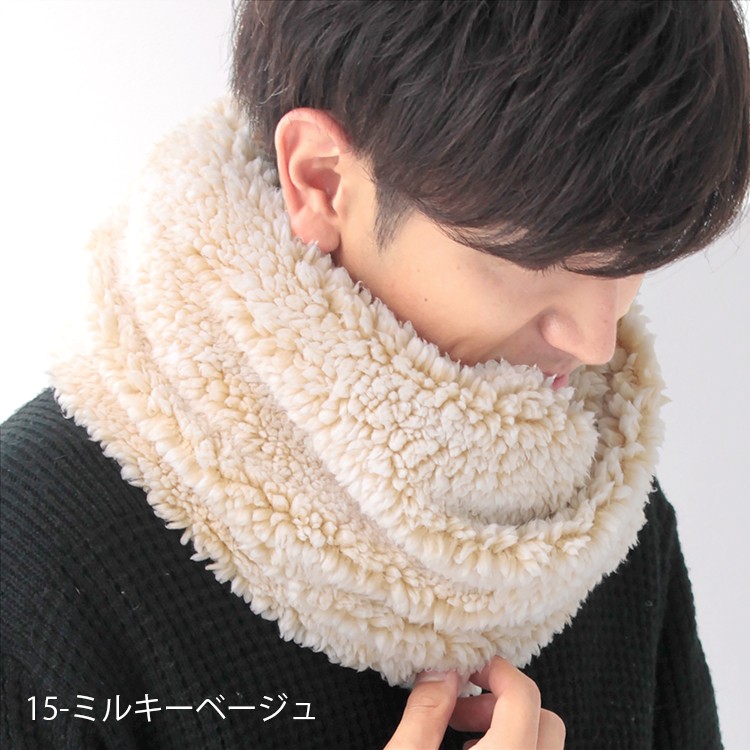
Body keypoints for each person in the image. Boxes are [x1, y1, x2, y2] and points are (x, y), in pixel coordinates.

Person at [1, 1, 748, 748]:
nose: (595, 340)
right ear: (321, 181)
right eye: (534, 257)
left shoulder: (601, 519)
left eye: (628, 260)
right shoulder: (29, 555)